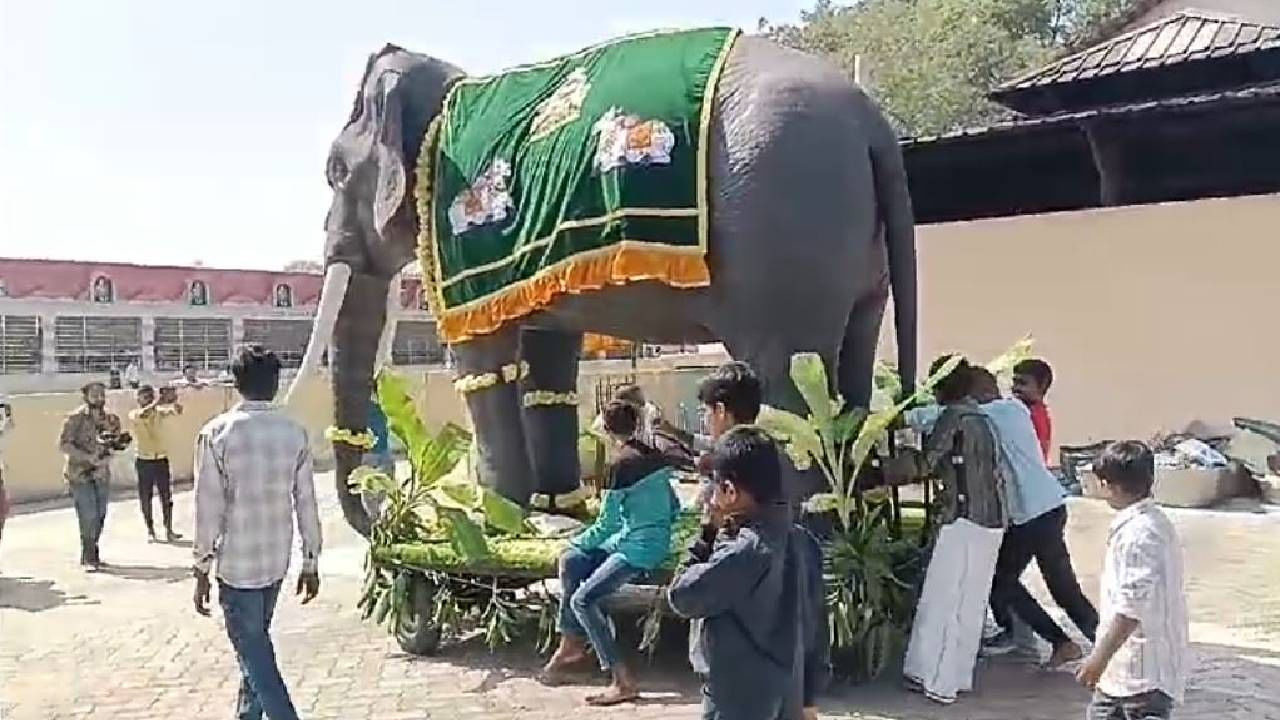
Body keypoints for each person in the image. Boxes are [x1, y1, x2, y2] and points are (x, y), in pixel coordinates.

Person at [907, 367, 1098, 666]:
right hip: (1044, 508)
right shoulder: (1008, 410)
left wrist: (898, 414)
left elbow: (929, 418)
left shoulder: (992, 413)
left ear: (978, 393)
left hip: (1034, 512)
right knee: (1047, 584)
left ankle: (1070, 642)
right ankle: (1086, 644)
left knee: (1008, 581)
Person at [193, 345, 322, 720]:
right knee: (254, 650)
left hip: (237, 567)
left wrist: (200, 566)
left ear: (236, 384)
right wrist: (311, 561)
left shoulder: (216, 434)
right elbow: (307, 503)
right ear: (276, 383)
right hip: (275, 561)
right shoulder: (294, 432)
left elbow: (207, 508)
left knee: (256, 658)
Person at [540, 400, 679, 706]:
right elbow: (674, 507)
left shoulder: (619, 466)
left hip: (637, 549)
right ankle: (572, 643)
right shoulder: (655, 457)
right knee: (572, 562)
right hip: (645, 540)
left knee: (582, 598)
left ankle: (621, 679)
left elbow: (606, 525)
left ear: (605, 428)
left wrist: (576, 540)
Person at [888, 355, 1009, 705]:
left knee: (945, 600)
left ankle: (937, 682)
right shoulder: (981, 417)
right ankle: (956, 676)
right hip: (991, 520)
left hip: (964, 518)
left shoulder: (954, 418)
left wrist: (901, 449)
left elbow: (924, 464)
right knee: (970, 602)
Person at [668, 426, 803, 720]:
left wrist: (706, 534)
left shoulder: (745, 551)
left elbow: (681, 595)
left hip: (736, 694)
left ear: (730, 491)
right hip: (780, 684)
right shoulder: (796, 537)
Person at [1076, 441, 1188, 720]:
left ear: (1109, 485)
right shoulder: (1151, 523)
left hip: (1140, 676)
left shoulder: (1139, 535)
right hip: (1128, 672)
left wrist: (1098, 658)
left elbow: (1131, 607)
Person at [59, 381, 130, 570]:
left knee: (100, 515)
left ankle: (92, 550)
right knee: (87, 514)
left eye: (101, 394)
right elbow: (64, 445)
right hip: (79, 474)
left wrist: (108, 456)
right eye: (95, 394)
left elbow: (115, 444)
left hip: (101, 473)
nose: (99, 397)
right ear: (86, 396)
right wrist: (88, 458)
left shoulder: (111, 420)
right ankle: (89, 555)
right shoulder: (75, 419)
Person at [128, 384, 184, 542]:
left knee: (166, 495)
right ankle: (150, 530)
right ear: (138, 399)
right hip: (144, 459)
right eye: (145, 397)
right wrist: (160, 401)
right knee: (146, 496)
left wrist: (173, 402)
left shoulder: (159, 412)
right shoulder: (135, 414)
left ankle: (169, 529)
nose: (149, 400)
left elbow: (176, 410)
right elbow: (145, 413)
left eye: (150, 396)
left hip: (160, 458)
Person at [1012, 358, 1055, 461]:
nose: (1015, 388)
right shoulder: (1021, 410)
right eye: (1015, 382)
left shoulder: (1035, 416)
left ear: (1042, 385)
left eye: (1023, 383)